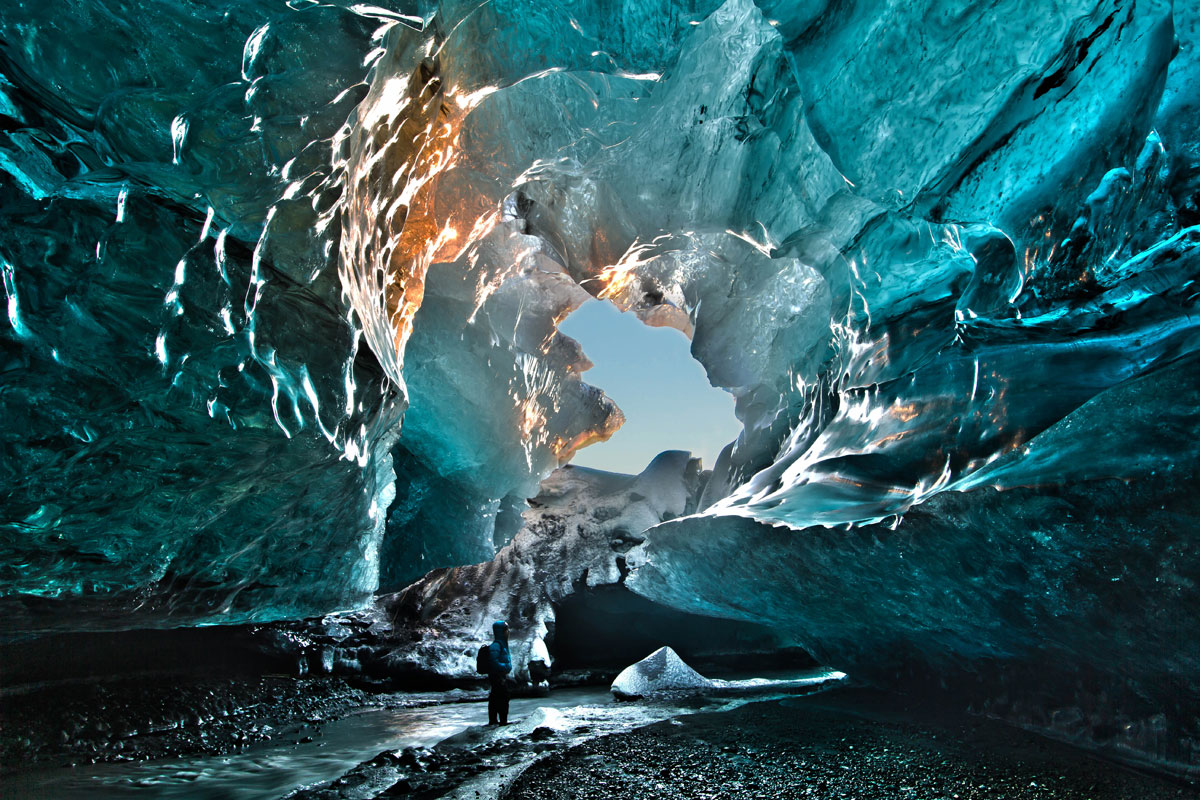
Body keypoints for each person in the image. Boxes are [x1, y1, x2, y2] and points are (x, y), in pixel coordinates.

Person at [486, 620, 512, 725]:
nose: (508, 632)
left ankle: (497, 721)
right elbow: (493, 662)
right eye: (506, 630)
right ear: (501, 631)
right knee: (502, 698)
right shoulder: (496, 646)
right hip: (497, 676)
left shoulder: (501, 645)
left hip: (499, 676)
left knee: (497, 698)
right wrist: (505, 667)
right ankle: (499, 721)